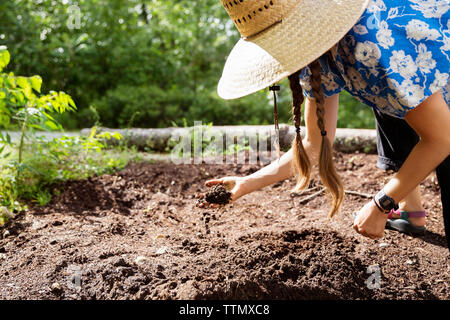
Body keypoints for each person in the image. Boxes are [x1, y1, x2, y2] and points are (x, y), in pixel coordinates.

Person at [203, 0, 450, 245]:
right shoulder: (318, 59)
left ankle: (408, 209)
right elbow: (314, 144)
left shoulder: (369, 45)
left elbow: (442, 139)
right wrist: (245, 184)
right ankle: (410, 209)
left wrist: (382, 203)